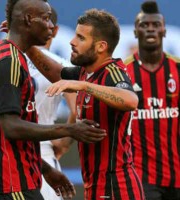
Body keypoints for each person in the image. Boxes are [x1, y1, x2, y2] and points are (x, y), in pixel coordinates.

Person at [0, 1, 107, 199]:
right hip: (11, 180)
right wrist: (69, 130)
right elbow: (11, 127)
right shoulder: (10, 62)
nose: (51, 25)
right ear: (29, 19)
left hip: (20, 168)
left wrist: (45, 169)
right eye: (46, 19)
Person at [27, 8, 145, 200]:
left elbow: (130, 100)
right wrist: (25, 45)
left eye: (81, 38)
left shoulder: (113, 72)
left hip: (117, 188)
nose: (72, 42)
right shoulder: (85, 72)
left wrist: (84, 86)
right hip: (95, 186)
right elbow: (56, 72)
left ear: (100, 46)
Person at [124, 1, 180, 200]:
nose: (150, 29)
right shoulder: (123, 73)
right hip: (142, 176)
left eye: (155, 25)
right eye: (144, 25)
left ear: (164, 31)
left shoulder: (178, 69)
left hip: (177, 174)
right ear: (135, 31)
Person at [26, 7, 76, 200]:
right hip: (43, 151)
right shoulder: (62, 67)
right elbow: (78, 111)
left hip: (6, 153)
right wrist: (64, 144)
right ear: (54, 30)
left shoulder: (6, 59)